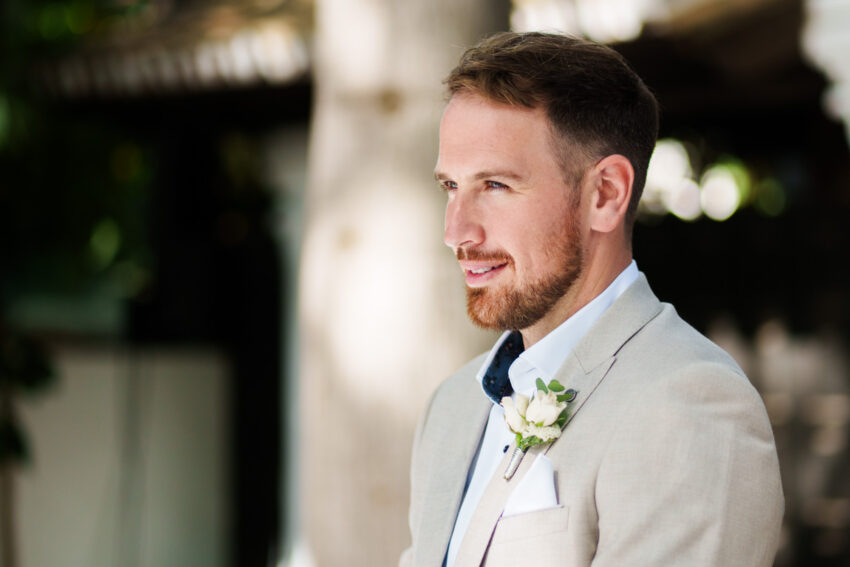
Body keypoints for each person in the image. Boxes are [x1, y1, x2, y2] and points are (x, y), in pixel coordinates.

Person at [400, 32, 783, 567]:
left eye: (496, 186)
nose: (456, 231)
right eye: (450, 186)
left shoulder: (690, 405)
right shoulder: (452, 408)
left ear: (605, 194)